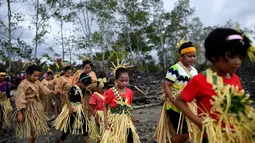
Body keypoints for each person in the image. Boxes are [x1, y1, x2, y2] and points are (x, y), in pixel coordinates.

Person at [174, 28, 255, 143]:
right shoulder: (200, 80)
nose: (238, 62)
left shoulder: (235, 79)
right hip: (212, 137)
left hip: (235, 136)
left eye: (240, 57)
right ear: (214, 55)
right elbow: (179, 100)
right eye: (232, 57)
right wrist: (199, 122)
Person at [154, 40, 198, 143]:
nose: (192, 59)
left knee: (188, 132)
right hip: (174, 106)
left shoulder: (194, 71)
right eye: (189, 56)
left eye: (194, 56)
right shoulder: (175, 69)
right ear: (182, 57)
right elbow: (166, 85)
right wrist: (174, 100)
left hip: (189, 105)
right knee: (184, 134)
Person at [15, 65, 54, 142]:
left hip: (36, 107)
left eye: (38, 76)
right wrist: (20, 113)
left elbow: (43, 89)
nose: (36, 78)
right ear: (28, 74)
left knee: (35, 129)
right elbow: (19, 99)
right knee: (32, 130)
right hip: (28, 109)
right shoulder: (23, 85)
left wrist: (51, 91)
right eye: (35, 76)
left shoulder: (37, 82)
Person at [101, 66, 140, 143]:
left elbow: (128, 107)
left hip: (126, 120)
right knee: (116, 139)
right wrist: (106, 120)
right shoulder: (111, 91)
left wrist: (132, 118)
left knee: (129, 137)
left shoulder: (130, 92)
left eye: (126, 80)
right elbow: (105, 105)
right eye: (122, 80)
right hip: (115, 120)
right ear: (116, 80)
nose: (125, 83)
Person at [53, 73, 92, 143]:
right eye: (85, 85)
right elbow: (67, 97)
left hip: (79, 108)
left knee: (84, 123)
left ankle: (86, 139)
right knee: (69, 126)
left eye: (87, 85)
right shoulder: (73, 88)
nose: (85, 86)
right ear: (80, 82)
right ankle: (61, 140)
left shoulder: (83, 88)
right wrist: (70, 108)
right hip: (73, 108)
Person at [89, 72, 108, 143]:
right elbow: (90, 107)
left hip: (106, 114)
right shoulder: (95, 95)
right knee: (99, 132)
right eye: (101, 88)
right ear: (97, 87)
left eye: (105, 88)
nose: (103, 90)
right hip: (98, 114)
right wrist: (96, 117)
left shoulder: (106, 93)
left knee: (106, 132)